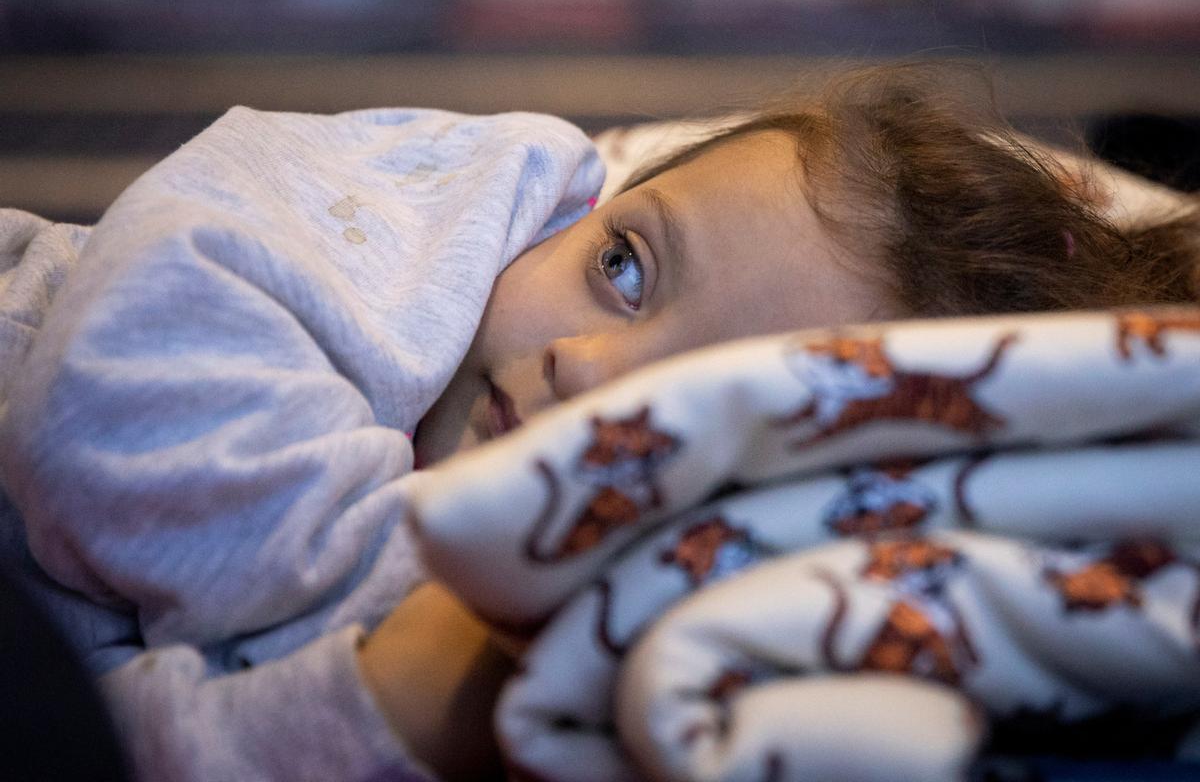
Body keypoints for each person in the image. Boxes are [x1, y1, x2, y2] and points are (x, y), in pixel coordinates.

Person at [0, 63, 1197, 782]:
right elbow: (142, 332)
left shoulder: (592, 649)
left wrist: (386, 688)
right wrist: (421, 582)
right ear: (602, 203)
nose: (583, 365)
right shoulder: (471, 203)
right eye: (623, 269)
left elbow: (151, 748)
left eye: (670, 409)